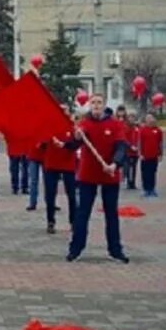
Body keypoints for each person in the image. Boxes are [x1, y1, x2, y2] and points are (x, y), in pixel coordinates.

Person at [67, 94, 128, 263]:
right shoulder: (84, 124)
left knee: (111, 214)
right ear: (89, 105)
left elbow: (121, 147)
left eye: (99, 102)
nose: (96, 105)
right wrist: (76, 138)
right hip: (88, 175)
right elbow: (73, 145)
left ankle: (115, 250)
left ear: (104, 105)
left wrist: (115, 164)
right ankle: (75, 248)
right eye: (93, 102)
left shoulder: (115, 124)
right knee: (82, 213)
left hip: (110, 173)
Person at [43, 106, 78, 235]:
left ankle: (73, 221)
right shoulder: (49, 126)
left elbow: (76, 145)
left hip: (68, 165)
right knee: (50, 195)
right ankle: (50, 221)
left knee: (72, 195)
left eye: (66, 110)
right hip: (51, 164)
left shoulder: (73, 127)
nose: (63, 112)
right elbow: (41, 143)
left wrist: (64, 145)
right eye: (61, 110)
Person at [138, 114, 163, 198]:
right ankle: (146, 189)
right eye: (148, 118)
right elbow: (139, 143)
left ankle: (152, 188)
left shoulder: (158, 130)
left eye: (152, 118)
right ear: (145, 120)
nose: (150, 120)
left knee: (153, 172)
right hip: (145, 156)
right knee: (145, 173)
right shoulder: (142, 130)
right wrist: (140, 153)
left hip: (154, 156)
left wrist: (160, 154)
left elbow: (160, 143)